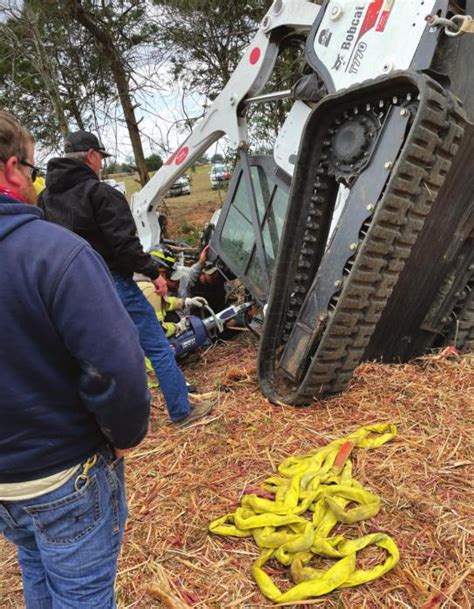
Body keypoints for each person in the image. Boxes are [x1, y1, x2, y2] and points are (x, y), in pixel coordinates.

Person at [0, 111, 150, 607]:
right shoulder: (54, 254)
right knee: (81, 594)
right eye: (30, 169)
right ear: (8, 170)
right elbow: (115, 368)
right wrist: (125, 436)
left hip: (6, 485)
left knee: (37, 569)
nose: (33, 182)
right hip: (64, 474)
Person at [38, 130, 212, 427]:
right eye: (100, 159)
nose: (101, 165)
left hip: (65, 291)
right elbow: (125, 248)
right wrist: (153, 273)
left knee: (88, 358)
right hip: (109, 283)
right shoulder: (101, 194)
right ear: (92, 156)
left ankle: (105, 425)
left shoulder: (45, 199)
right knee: (156, 347)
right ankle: (182, 411)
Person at [137, 246, 208, 337]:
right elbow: (160, 331)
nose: (165, 279)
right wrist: (178, 327)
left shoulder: (148, 285)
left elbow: (164, 302)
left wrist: (186, 302)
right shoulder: (150, 290)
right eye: (165, 275)